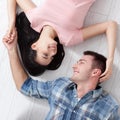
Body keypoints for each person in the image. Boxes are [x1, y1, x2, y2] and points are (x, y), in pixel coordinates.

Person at [3, 31, 120, 120]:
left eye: (81, 62)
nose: (74, 66)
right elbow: (24, 86)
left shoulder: (109, 107)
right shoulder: (60, 86)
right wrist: (12, 49)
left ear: (95, 72)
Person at [6, 0, 117, 82]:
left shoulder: (35, 19)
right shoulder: (68, 38)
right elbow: (110, 26)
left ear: (34, 45)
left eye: (45, 54)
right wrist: (110, 59)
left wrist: (11, 24)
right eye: (52, 57)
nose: (52, 53)